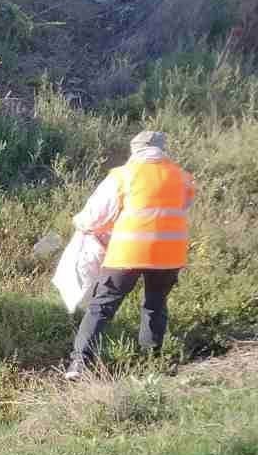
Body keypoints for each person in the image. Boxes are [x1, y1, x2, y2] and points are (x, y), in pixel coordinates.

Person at [65, 129, 195, 380]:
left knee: (101, 307)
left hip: (128, 251)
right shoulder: (182, 178)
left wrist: (80, 224)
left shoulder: (124, 176)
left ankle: (80, 363)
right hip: (169, 255)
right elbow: (180, 208)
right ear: (162, 148)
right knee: (155, 305)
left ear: (135, 150)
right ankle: (151, 363)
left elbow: (95, 215)